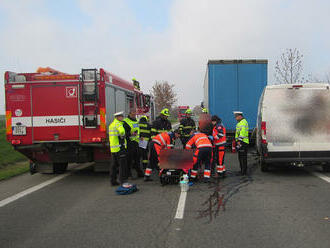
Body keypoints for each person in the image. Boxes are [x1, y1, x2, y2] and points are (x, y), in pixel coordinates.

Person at [108, 111, 128, 186]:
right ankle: (122, 181)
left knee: (113, 166)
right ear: (118, 117)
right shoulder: (118, 124)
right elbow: (122, 132)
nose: (122, 118)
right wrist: (122, 135)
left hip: (113, 149)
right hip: (120, 148)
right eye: (121, 116)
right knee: (122, 166)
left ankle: (113, 181)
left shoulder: (111, 124)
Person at [123, 109, 144, 178]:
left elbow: (138, 130)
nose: (134, 114)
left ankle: (139, 173)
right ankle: (128, 174)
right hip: (129, 142)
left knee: (137, 159)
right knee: (129, 160)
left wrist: (140, 136)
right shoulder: (126, 121)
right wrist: (130, 133)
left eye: (135, 113)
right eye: (133, 113)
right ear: (129, 114)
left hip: (137, 142)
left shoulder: (137, 120)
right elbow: (124, 133)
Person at [233, 111, 249, 175]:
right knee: (240, 157)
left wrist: (239, 141)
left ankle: (244, 171)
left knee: (243, 157)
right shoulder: (240, 123)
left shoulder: (243, 122)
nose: (236, 118)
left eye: (236, 117)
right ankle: (242, 170)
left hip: (243, 142)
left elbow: (242, 133)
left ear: (240, 116)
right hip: (241, 142)